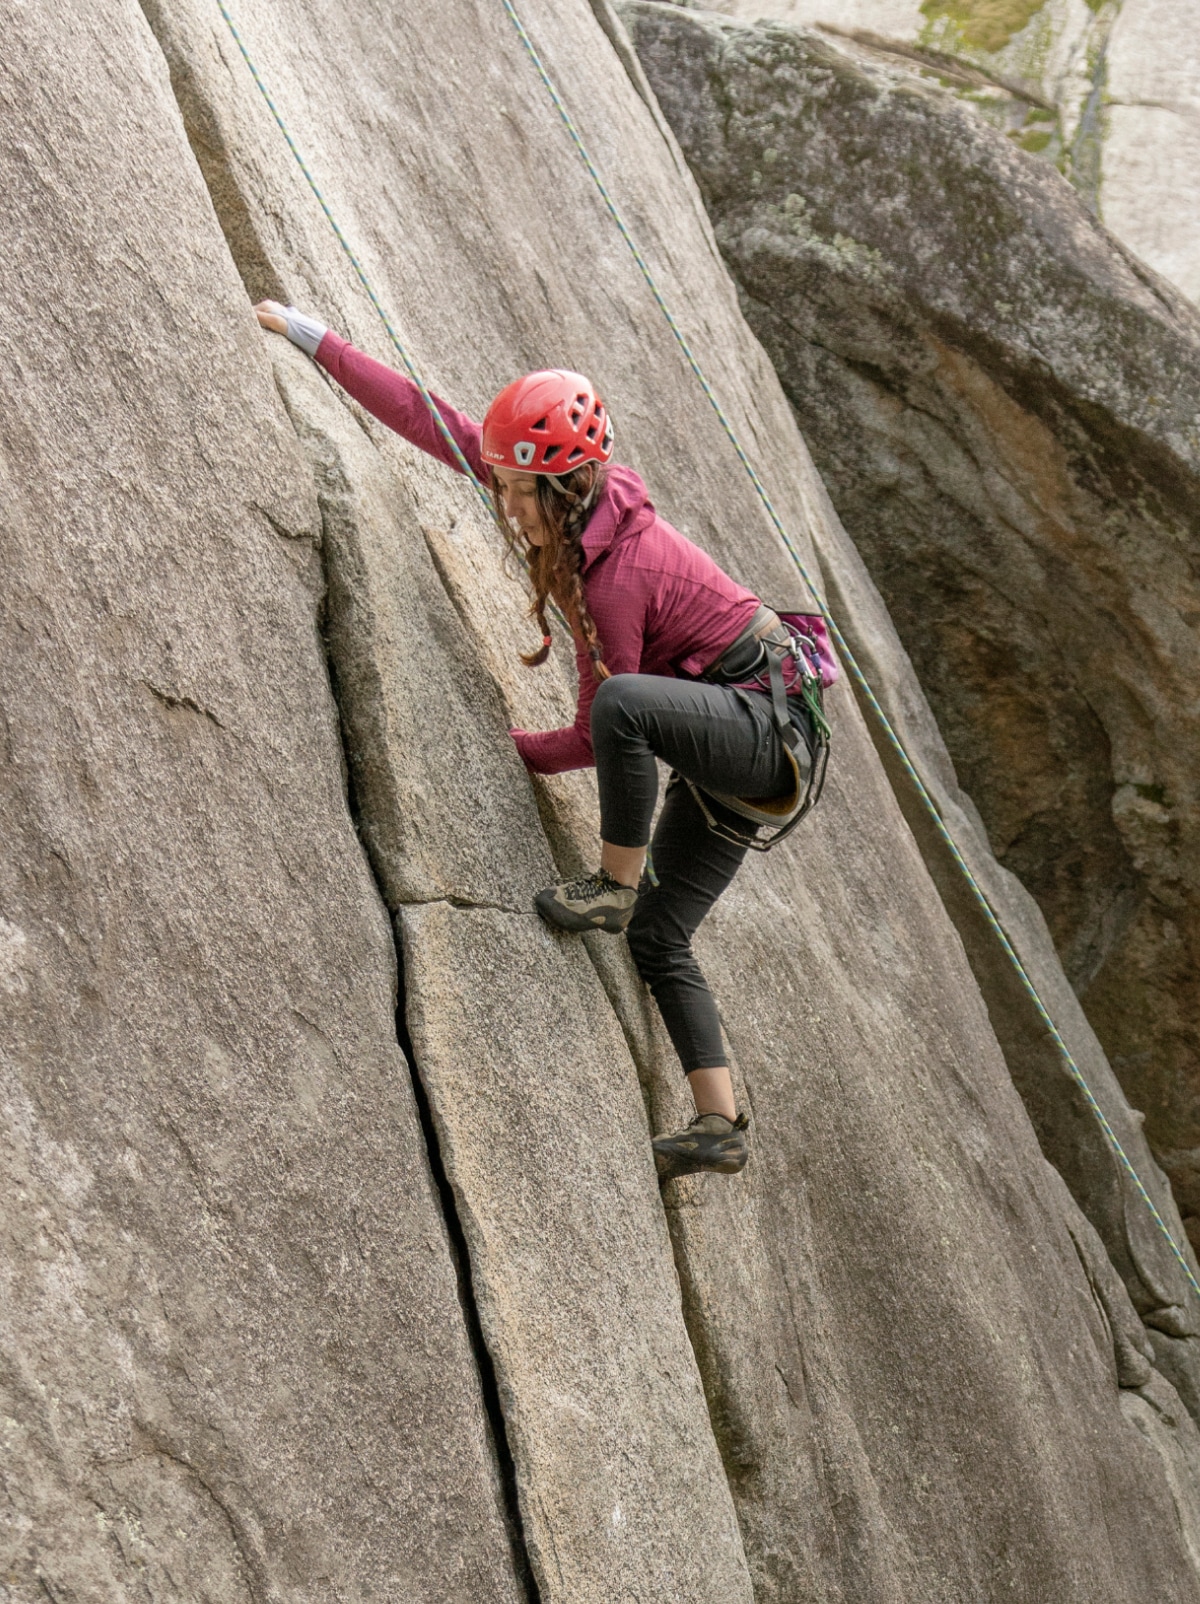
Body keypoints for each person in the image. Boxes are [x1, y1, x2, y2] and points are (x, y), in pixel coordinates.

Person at [255, 301, 825, 1179]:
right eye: (507, 486)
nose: (508, 506)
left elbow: (606, 719)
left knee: (628, 706)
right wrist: (310, 336)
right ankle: (720, 1122)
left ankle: (613, 883)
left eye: (523, 492)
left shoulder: (621, 575)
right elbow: (430, 420)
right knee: (662, 939)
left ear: (566, 488)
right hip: (737, 753)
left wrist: (507, 748)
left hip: (758, 730)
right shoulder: (567, 509)